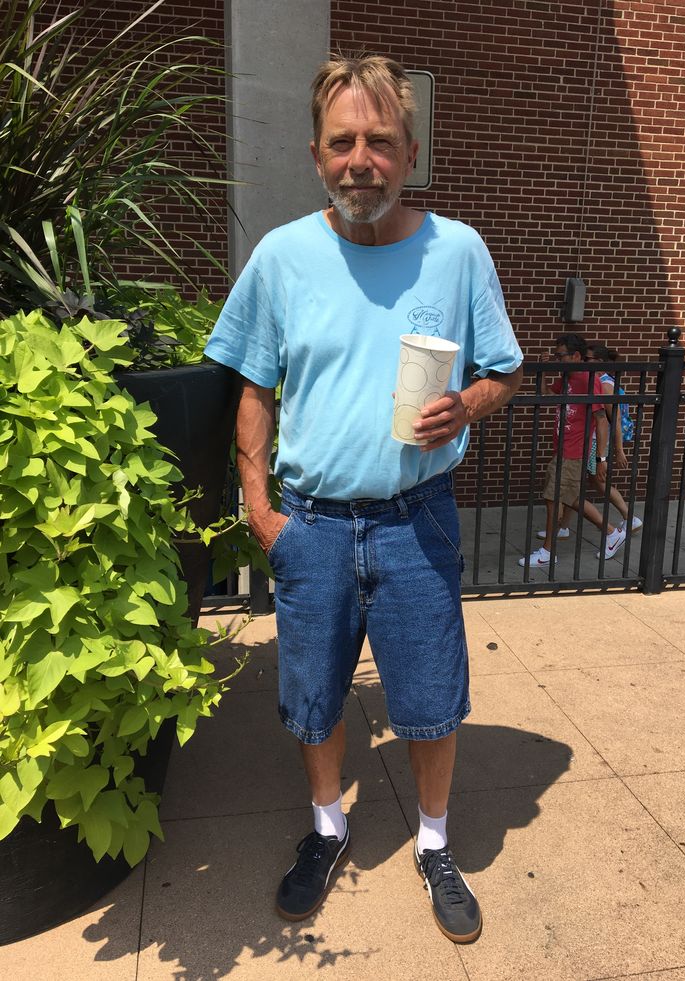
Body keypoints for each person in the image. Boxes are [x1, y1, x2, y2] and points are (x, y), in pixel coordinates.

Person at [204, 55, 523, 944]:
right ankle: (327, 828)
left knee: (430, 694)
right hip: (309, 520)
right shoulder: (282, 257)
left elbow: (504, 369)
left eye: (379, 142)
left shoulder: (456, 251)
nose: (360, 160)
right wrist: (259, 506)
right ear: (315, 155)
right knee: (313, 696)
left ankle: (432, 842)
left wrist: (469, 402)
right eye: (342, 141)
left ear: (409, 151)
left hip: (414, 520)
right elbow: (254, 386)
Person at [519, 333, 626, 568]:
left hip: (575, 449)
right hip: (563, 446)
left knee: (553, 496)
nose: (558, 359)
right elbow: (547, 394)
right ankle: (611, 533)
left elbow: (601, 419)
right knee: (568, 496)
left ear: (576, 355)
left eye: (560, 355)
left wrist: (602, 458)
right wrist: (545, 369)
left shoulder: (589, 380)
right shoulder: (567, 375)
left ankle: (547, 551)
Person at [538, 341, 641, 544]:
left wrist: (612, 452)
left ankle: (627, 519)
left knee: (593, 484)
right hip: (580, 442)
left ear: (599, 362)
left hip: (591, 443)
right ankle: (565, 527)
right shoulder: (577, 378)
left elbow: (611, 419)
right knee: (573, 488)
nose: (584, 361)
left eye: (588, 359)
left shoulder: (601, 382)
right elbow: (549, 395)